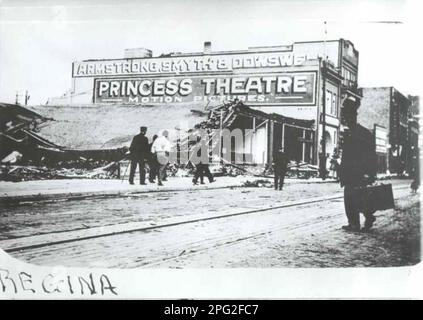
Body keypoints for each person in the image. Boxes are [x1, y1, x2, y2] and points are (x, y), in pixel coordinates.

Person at [339, 125, 377, 232]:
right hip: (350, 175)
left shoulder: (361, 134)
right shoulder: (350, 133)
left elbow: (370, 156)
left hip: (358, 175)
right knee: (353, 199)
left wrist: (369, 173)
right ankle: (355, 222)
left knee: (360, 199)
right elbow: (345, 157)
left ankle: (362, 220)